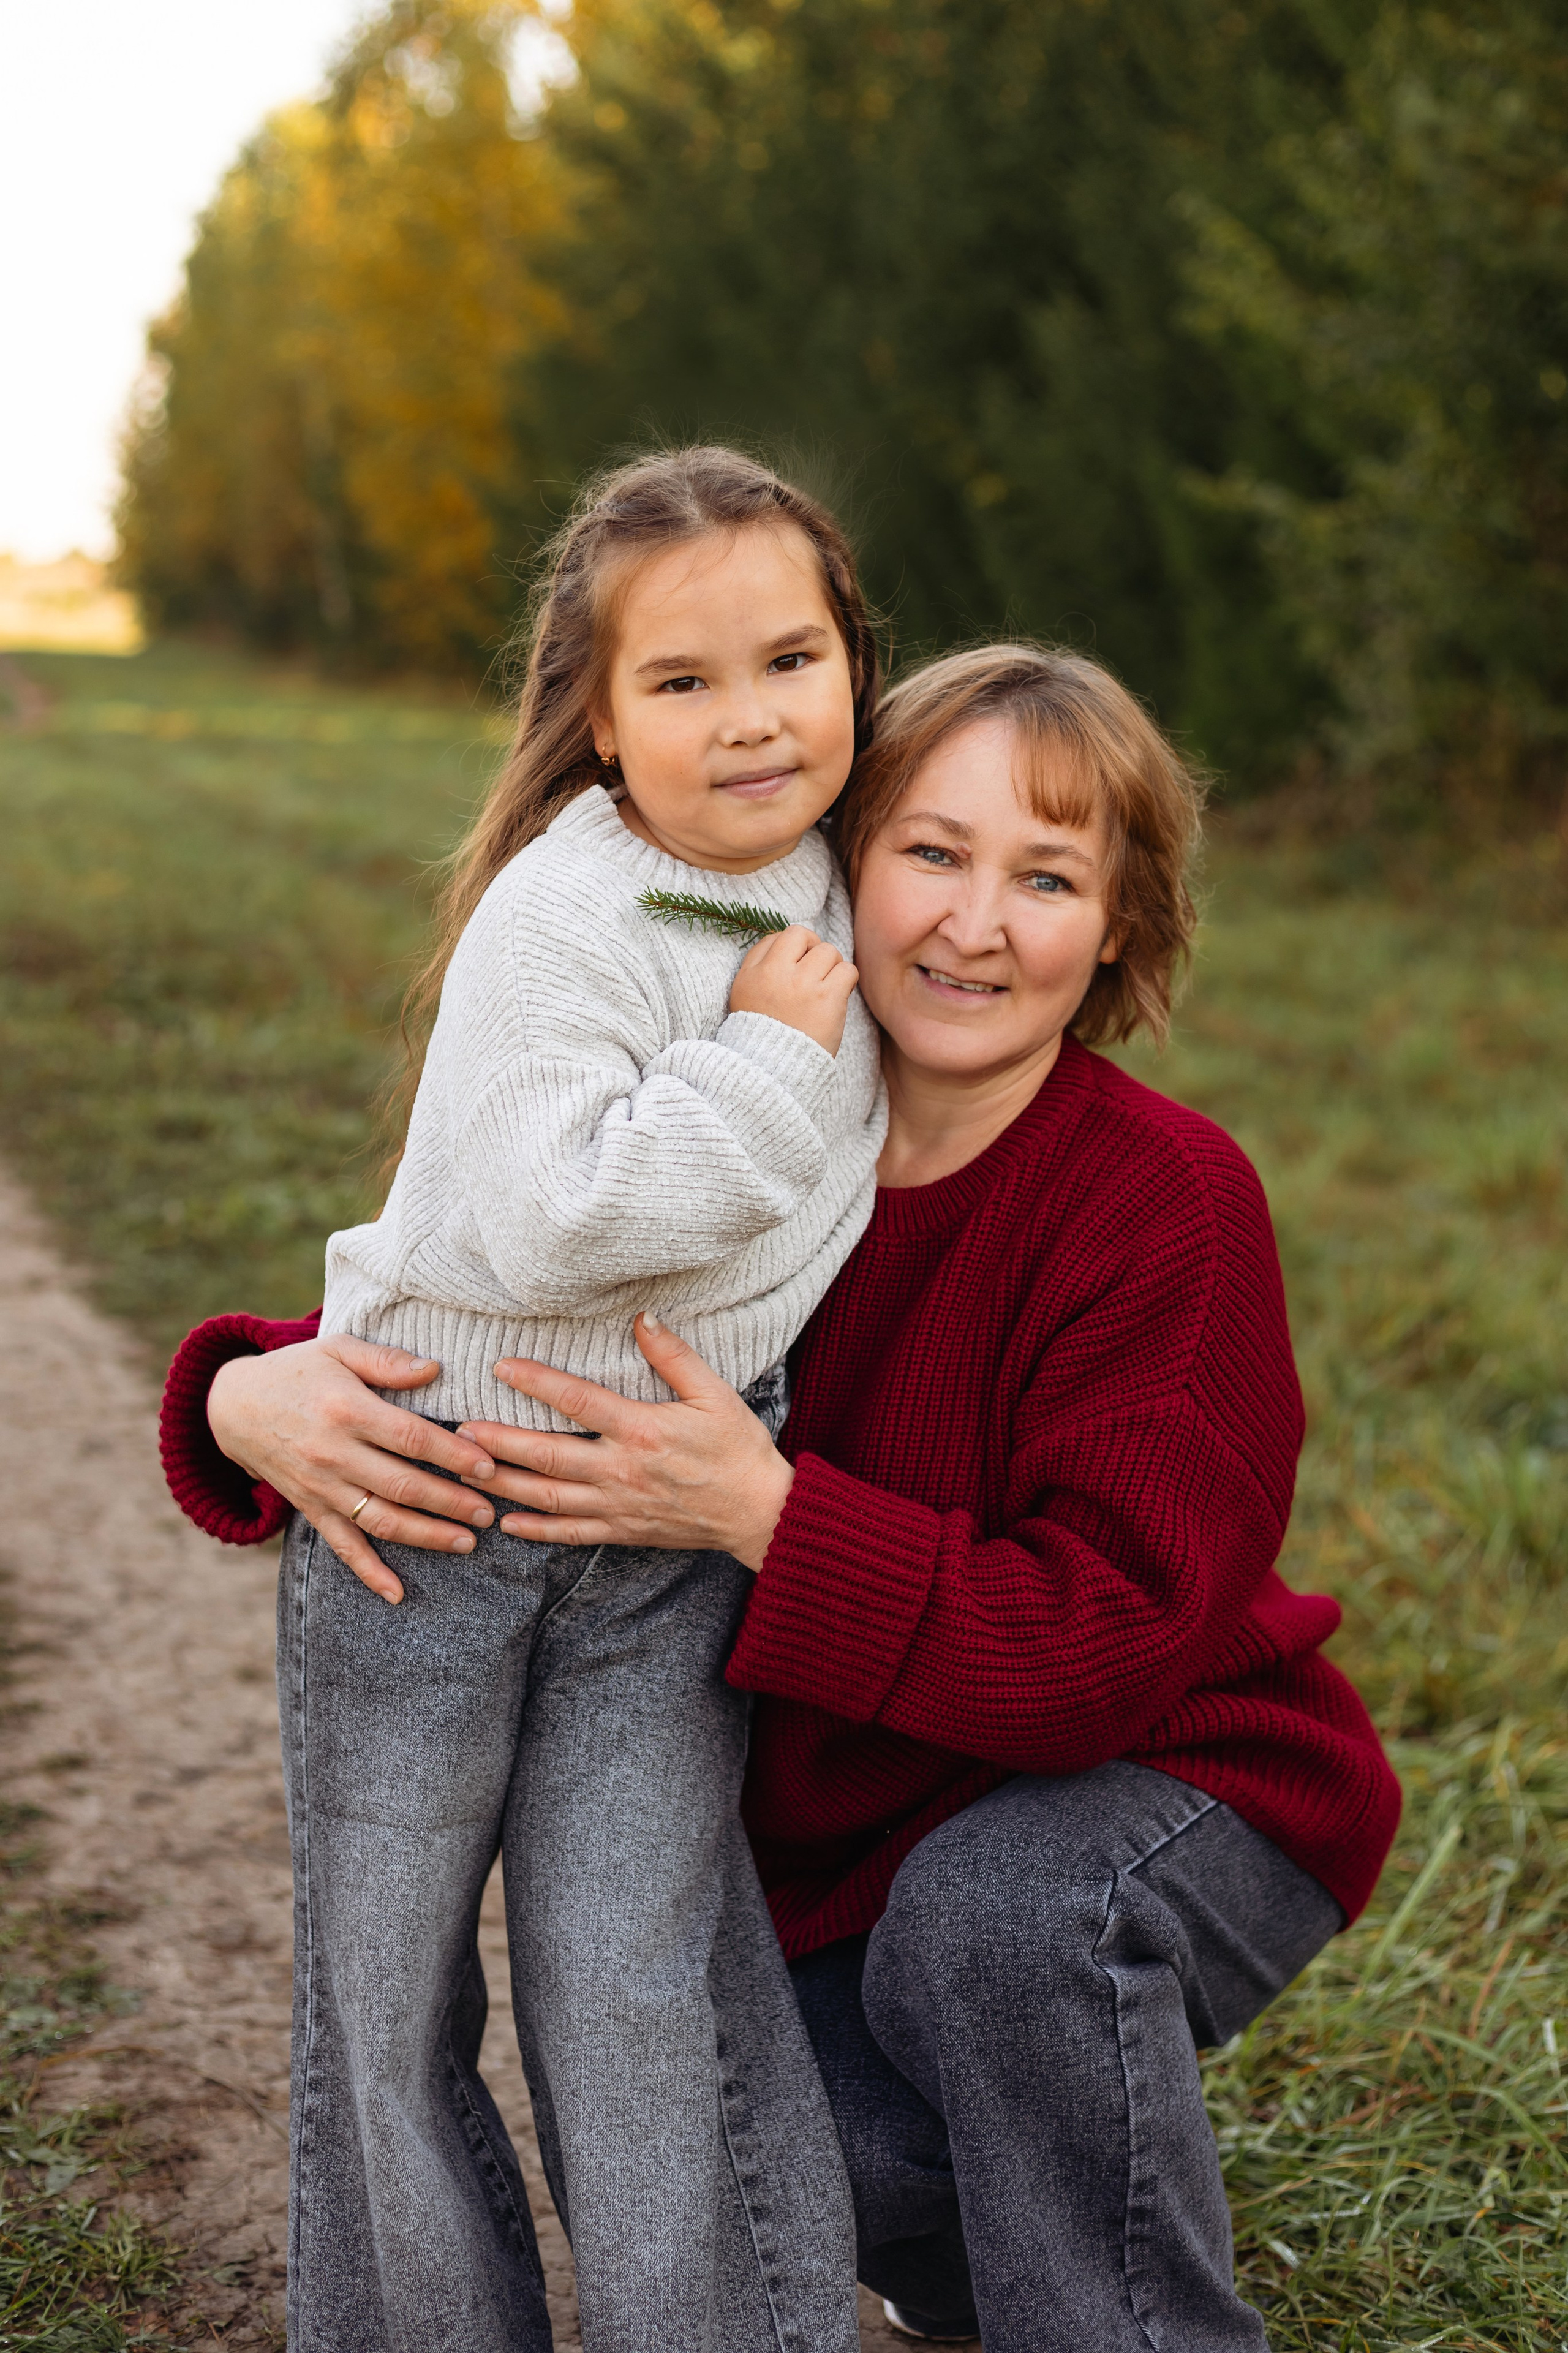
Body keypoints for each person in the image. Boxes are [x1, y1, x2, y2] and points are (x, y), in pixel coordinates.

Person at [162, 641, 1402, 2352]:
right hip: (870, 1861)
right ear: (841, 866)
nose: (975, 922)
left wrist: (770, 1513)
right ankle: (984, 2250)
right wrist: (244, 1388)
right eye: (931, 853)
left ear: (1119, 924)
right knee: (691, 2151)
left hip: (1175, 1780)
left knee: (1003, 1919)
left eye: (1046, 877)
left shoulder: (1164, 1203)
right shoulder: (763, 1128)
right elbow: (516, 1313)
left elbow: (1103, 1650)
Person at [187, 444, 899, 2353]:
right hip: (428, 1506)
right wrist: (762, 1057)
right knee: (390, 1980)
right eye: (681, 683)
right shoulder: (566, 917)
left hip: (660, 1537)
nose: (751, 721)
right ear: (594, 719)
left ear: (854, 662)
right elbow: (565, 1218)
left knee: (637, 1979)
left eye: (791, 660)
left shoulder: (859, 862)